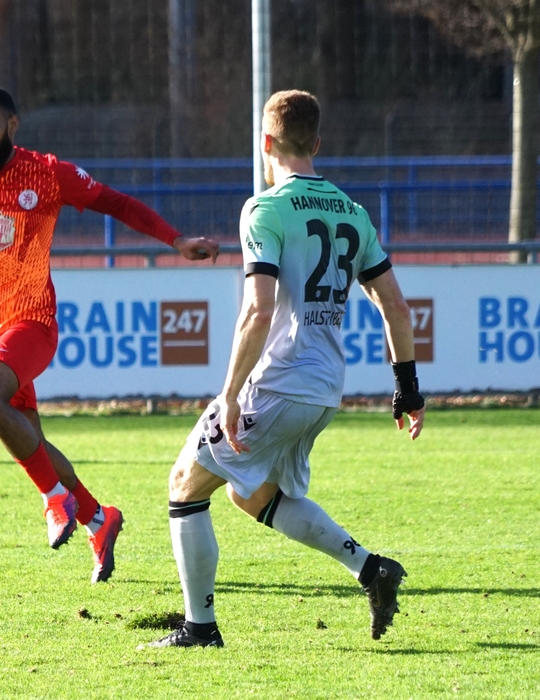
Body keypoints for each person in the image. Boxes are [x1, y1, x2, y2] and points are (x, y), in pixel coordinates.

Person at [0, 86, 219, 583]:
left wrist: (176, 239)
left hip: (32, 323)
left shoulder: (46, 172)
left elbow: (115, 203)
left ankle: (54, 500)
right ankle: (100, 519)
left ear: (12, 125)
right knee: (31, 440)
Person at [143, 90, 425, 647]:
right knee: (250, 494)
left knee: (184, 485)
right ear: (316, 143)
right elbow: (396, 305)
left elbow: (258, 309)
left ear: (265, 143)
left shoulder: (265, 208)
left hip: (278, 382)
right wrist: (407, 390)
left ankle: (200, 628)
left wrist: (229, 395)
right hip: (324, 389)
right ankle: (372, 570)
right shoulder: (352, 212)